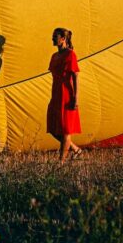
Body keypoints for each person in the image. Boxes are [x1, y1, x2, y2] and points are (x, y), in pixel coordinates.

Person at [47, 27, 82, 162]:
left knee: (66, 130)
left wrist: (76, 97)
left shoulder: (70, 55)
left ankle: (61, 162)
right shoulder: (54, 56)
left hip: (67, 94)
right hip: (56, 94)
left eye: (55, 36)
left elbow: (75, 76)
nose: (52, 38)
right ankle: (75, 149)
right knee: (53, 128)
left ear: (63, 38)